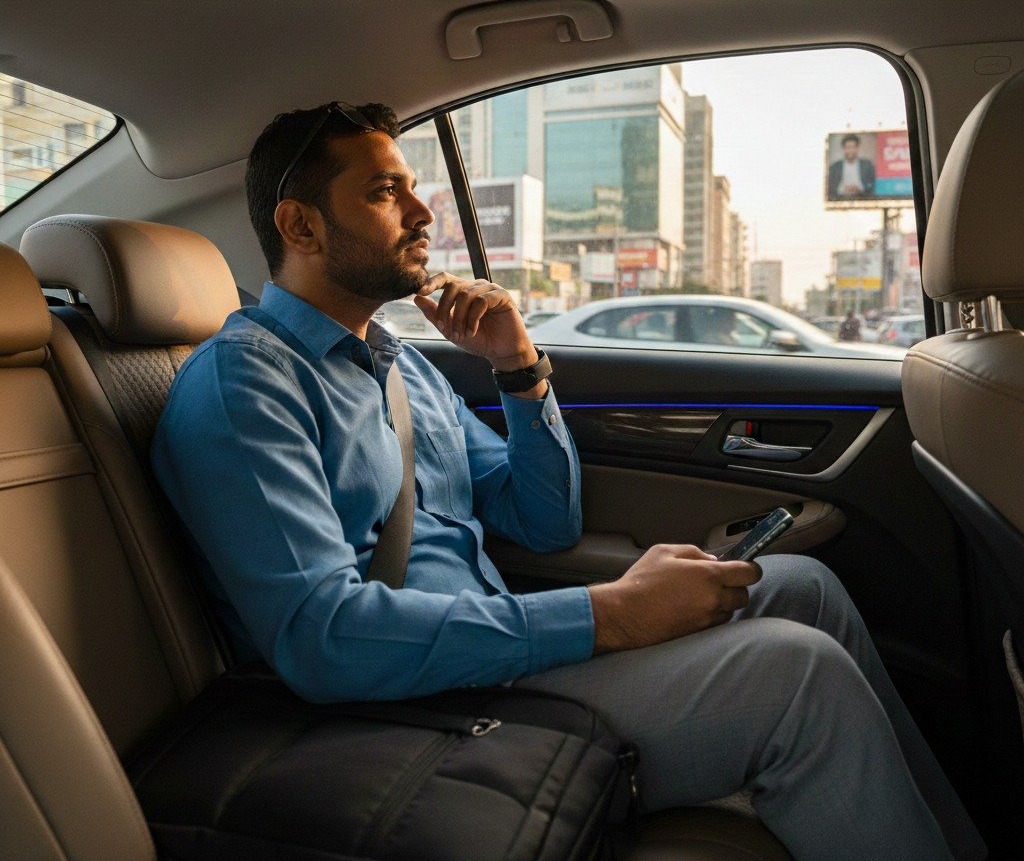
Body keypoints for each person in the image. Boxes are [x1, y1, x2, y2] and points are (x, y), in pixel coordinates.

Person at [151, 102, 985, 861]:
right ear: (300, 225)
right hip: (404, 700)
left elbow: (541, 523)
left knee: (801, 585)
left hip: (481, 652)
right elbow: (323, 637)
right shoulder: (246, 384)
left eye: (413, 188)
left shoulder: (399, 367)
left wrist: (518, 368)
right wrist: (611, 613)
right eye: (383, 193)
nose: (421, 213)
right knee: (796, 674)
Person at [828, 133, 876, 199]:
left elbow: (873, 185)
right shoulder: (834, 167)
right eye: (848, 147)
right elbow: (829, 189)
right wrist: (841, 190)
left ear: (857, 148)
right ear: (843, 149)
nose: (850, 150)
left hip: (862, 199)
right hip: (841, 200)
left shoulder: (867, 165)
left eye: (853, 147)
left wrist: (860, 189)